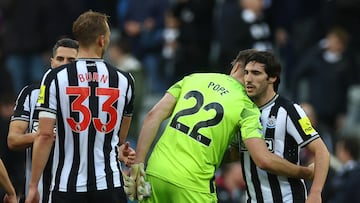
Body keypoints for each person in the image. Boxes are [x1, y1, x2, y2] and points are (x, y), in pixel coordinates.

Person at [128, 49, 314, 202]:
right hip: (193, 185)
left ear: (235, 66)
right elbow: (263, 160)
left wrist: (138, 164)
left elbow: (153, 115)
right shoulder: (247, 107)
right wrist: (303, 172)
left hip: (156, 172)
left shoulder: (194, 79)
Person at [25, 10, 136, 203]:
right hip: (109, 185)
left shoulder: (54, 78)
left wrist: (34, 185)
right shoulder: (125, 80)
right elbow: (120, 137)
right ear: (102, 40)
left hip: (67, 185)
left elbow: (44, 135)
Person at [242, 50, 330, 202]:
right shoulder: (243, 112)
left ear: (272, 77)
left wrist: (316, 192)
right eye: (246, 72)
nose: (248, 79)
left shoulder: (289, 110)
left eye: (256, 73)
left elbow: (322, 151)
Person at [7, 38, 79, 203]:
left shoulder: (89, 100)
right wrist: (41, 135)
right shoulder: (30, 94)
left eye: (71, 60)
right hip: (37, 193)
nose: (64, 64)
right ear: (52, 62)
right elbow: (13, 140)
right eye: (60, 59)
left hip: (73, 191)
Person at [323, 135, 360, 203]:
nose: (337, 153)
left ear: (347, 152)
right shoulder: (341, 171)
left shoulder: (355, 174)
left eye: (339, 149)